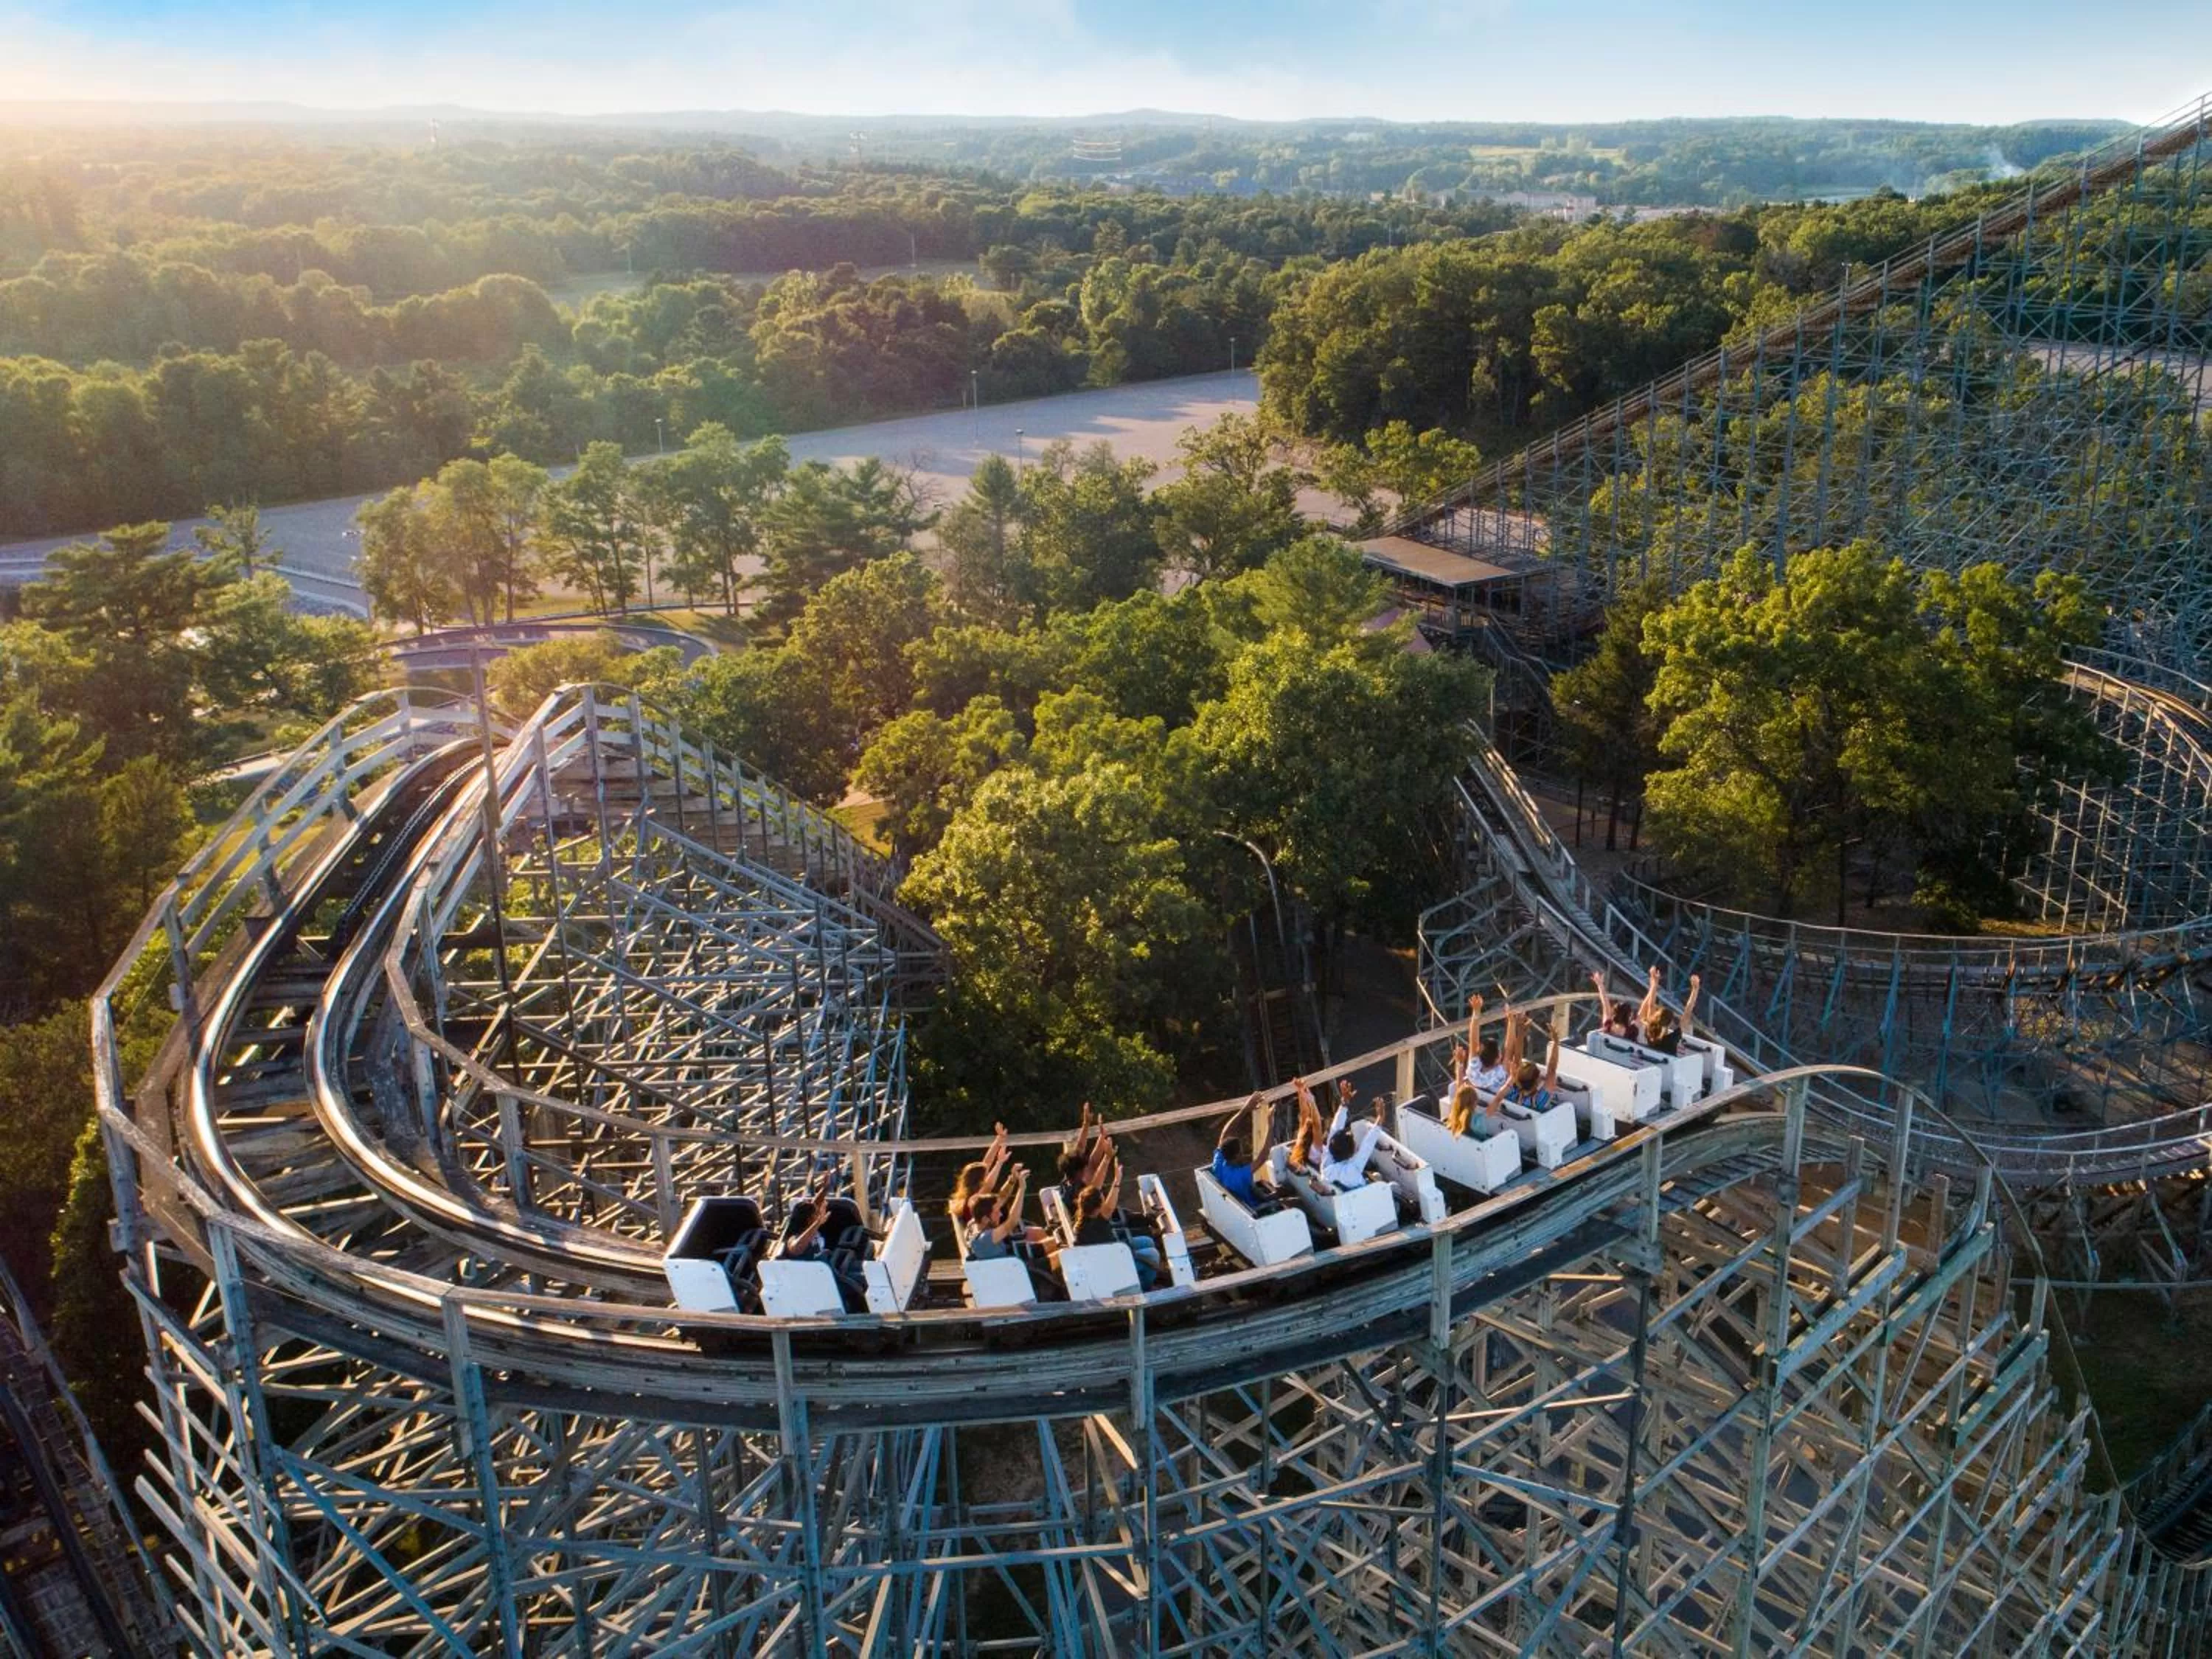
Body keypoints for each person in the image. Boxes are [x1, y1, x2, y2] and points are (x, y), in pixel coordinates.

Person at [780, 1180, 867, 1310]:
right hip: (819, 1281)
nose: (818, 1215)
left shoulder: (809, 1226)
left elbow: (813, 1206)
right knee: (859, 1281)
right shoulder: (794, 1237)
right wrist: (818, 1223)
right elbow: (796, 1248)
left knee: (862, 1272)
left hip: (830, 1269)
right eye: (815, 1216)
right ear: (808, 1220)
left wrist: (825, 1189)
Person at [1318, 1092, 1407, 1192]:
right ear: (1351, 1153)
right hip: (1367, 1196)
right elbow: (1367, 1146)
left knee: (1376, 1176)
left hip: (1345, 1195)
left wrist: (1344, 1104)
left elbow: (1334, 1131)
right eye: (1353, 1142)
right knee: (1393, 1186)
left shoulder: (1326, 1165)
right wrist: (1380, 1118)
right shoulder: (1353, 1169)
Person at [1489, 1011, 1562, 1121]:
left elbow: (1517, 1059)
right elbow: (1552, 1070)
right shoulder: (1539, 1102)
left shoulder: (1510, 1093)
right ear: (1536, 1082)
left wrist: (1521, 1034)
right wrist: (1556, 1043)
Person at [1211, 1093, 1278, 1210]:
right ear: (1237, 1156)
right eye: (1241, 1151)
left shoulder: (1219, 1164)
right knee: (1294, 1201)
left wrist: (1245, 1109)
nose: (1243, 1153)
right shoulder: (1240, 1175)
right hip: (1253, 1208)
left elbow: (1225, 1134)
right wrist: (1270, 1125)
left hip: (1240, 1202)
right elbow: (1263, 1157)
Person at [1641, 972, 1702, 1057]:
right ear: (1669, 1023)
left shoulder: (1649, 1031)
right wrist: (1695, 990)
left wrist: (1654, 984)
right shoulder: (1672, 1038)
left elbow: (1651, 1006)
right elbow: (1687, 1014)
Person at [1463, 992, 1509, 1097]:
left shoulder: (1473, 1070)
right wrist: (1511, 1022)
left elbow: (1473, 1040)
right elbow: (1509, 1050)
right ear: (1497, 1059)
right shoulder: (1500, 1075)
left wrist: (1476, 1013)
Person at [1590, 970, 1641, 1043]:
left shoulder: (1609, 1026)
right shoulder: (1632, 1031)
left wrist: (1600, 985)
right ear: (1629, 1016)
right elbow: (1643, 1011)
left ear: (1615, 1013)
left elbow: (1605, 1004)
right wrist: (1653, 986)